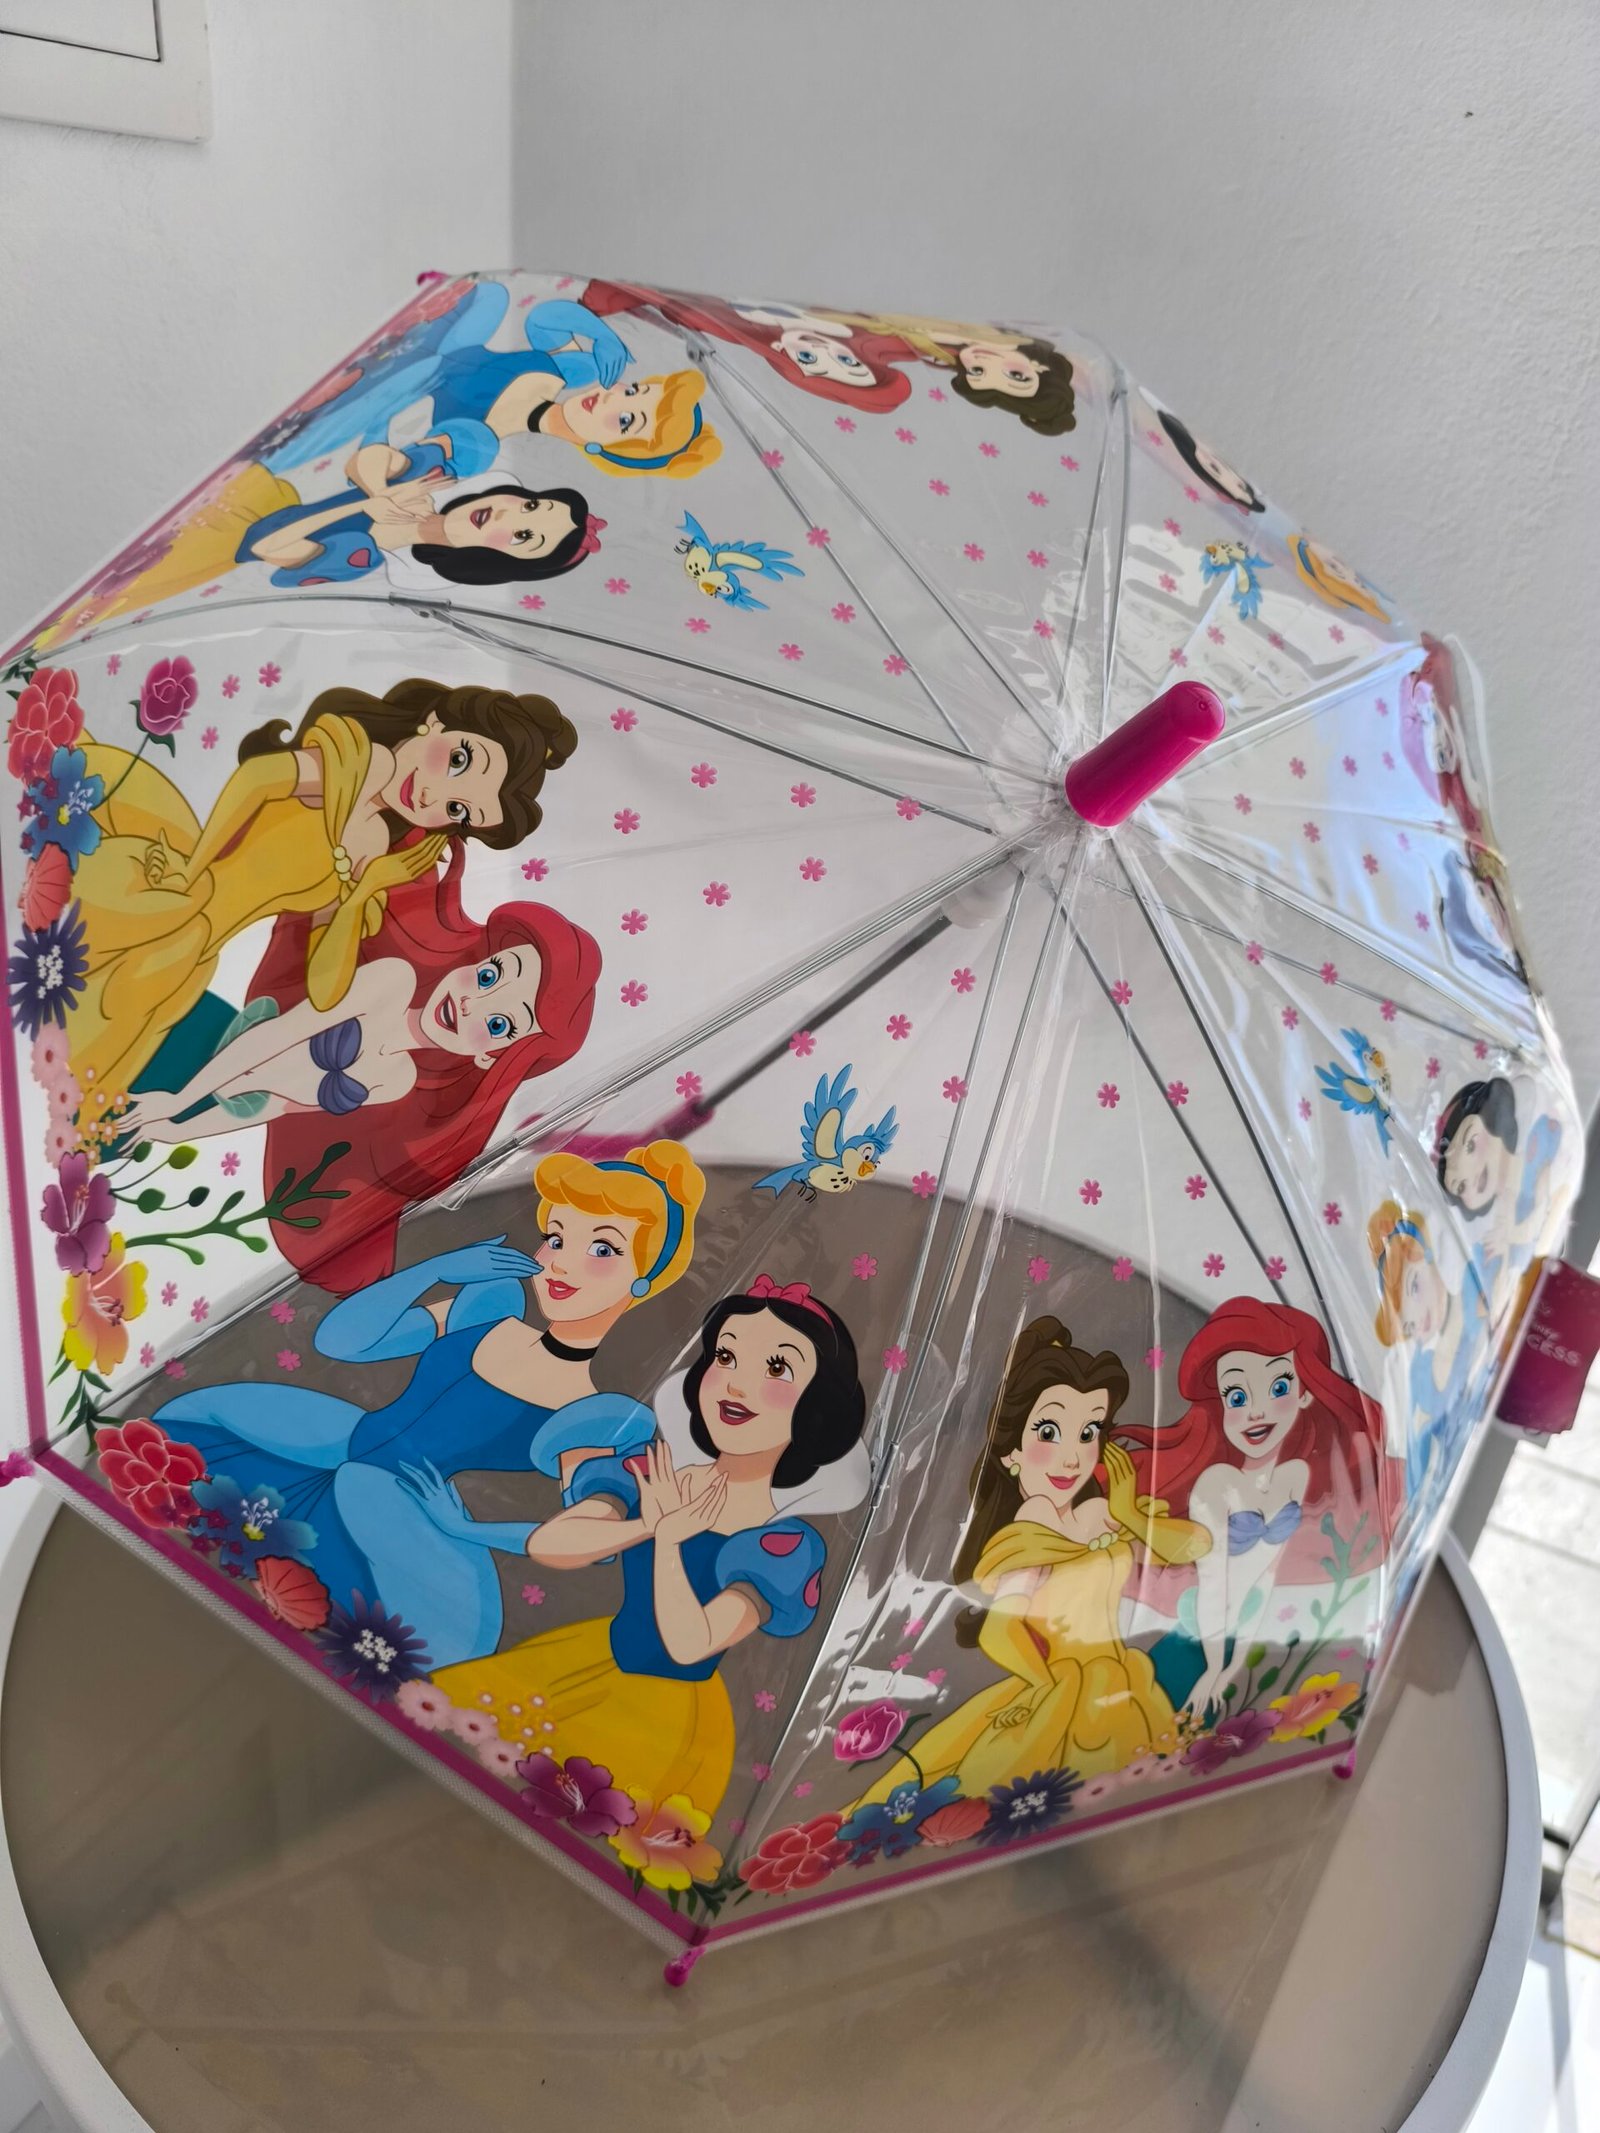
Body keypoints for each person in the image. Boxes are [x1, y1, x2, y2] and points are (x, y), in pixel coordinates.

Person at [154, 1141, 705, 1670]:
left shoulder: (589, 1415)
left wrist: (465, 1529)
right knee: (179, 1453)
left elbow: (580, 1541)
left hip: (399, 1511)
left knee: (330, 1610)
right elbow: (341, 1342)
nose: (561, 1264)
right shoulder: (488, 1312)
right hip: (324, 1441)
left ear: (643, 1281)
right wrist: (434, 1272)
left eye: (603, 1250)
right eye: (556, 1238)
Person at [425, 1278, 867, 1817]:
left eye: (776, 1368)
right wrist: (645, 1524)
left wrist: (671, 1538)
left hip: (662, 1713)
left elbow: (690, 1644)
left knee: (578, 1807)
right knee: (461, 1753)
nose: (735, 1384)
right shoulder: (653, 1471)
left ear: (818, 1408)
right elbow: (552, 1544)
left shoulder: (782, 1545)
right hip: (586, 1659)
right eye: (725, 1356)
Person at [66, 679, 578, 1112]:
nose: (431, 797)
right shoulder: (351, 761)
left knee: (89, 1050)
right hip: (166, 888)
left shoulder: (374, 849)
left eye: (458, 810)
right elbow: (257, 779)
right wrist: (193, 868)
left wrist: (364, 891)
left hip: (195, 950)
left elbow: (325, 992)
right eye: (460, 760)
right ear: (435, 722)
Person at [853, 1319, 1207, 1809]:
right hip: (1064, 1689)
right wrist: (1044, 1685)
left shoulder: (1099, 1513)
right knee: (1026, 1793)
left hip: (1119, 1678)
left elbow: (1193, 1547)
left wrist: (1128, 1512)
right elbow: (1000, 1630)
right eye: (1049, 1431)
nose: (1071, 1458)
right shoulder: (1027, 1535)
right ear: (1011, 1452)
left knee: (1121, 1789)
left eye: (1088, 1432)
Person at [1116, 1299, 1394, 1719]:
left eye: (1278, 1388)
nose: (1256, 1411)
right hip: (1197, 1641)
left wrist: (1232, 1667)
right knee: (1152, 1725)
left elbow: (1264, 1577)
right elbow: (1214, 1584)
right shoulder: (1216, 1484)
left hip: (1244, 1639)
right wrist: (1213, 1669)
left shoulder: (1295, 1477)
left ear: (1305, 1393)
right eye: (1237, 1395)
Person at [581, 279, 919, 414]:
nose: (823, 350)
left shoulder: (717, 328)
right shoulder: (840, 319)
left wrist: (605, 302)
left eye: (807, 358)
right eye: (848, 360)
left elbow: (651, 299)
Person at [1365, 1202, 1486, 1512]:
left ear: (1436, 1259)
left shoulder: (1472, 1290)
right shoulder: (1416, 1368)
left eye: (1415, 1287)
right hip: (1430, 1484)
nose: (1420, 1319)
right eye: (1409, 1326)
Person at [1154, 405, 1266, 512]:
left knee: (1190, 449)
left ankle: (1169, 422)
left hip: (1205, 463)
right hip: (1207, 464)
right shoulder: (1244, 491)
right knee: (1190, 449)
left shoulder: (1243, 492)